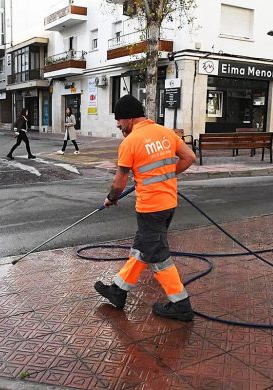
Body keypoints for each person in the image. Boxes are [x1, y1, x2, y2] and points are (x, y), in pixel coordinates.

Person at [94, 94, 197, 321]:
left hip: (150, 207)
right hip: (168, 203)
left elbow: (119, 181)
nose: (119, 125)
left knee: (159, 256)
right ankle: (118, 291)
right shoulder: (165, 132)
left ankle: (181, 304)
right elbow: (189, 156)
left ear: (129, 119)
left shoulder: (130, 142)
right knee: (143, 247)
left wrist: (111, 198)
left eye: (119, 121)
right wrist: (167, 176)